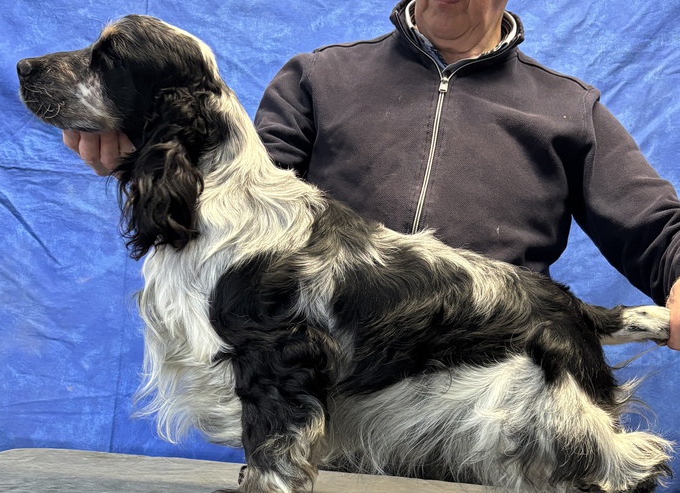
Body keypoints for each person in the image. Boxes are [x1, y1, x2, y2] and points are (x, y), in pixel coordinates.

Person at [63, 0, 680, 349]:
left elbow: (656, 230)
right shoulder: (316, 78)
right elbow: (242, 213)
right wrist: (150, 151)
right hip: (336, 409)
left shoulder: (570, 109)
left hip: (496, 399)